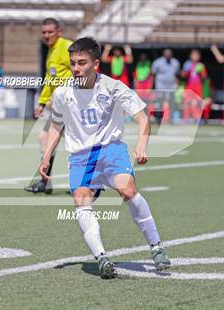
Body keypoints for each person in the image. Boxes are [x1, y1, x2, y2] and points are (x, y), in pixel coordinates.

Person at [39, 37, 170, 278]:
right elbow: (56, 125)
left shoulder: (113, 87)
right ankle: (102, 258)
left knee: (128, 191)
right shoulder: (63, 93)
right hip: (80, 156)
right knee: (81, 201)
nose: (76, 68)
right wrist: (46, 156)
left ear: (96, 63)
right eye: (73, 63)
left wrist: (142, 146)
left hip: (110, 150)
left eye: (82, 63)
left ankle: (157, 247)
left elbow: (142, 117)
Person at [24, 18, 73, 194]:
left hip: (71, 105)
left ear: (58, 31)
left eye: (50, 32)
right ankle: (45, 181)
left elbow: (82, 73)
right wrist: (42, 102)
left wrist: (63, 94)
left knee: (78, 145)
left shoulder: (68, 48)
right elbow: (49, 80)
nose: (46, 35)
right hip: (56, 106)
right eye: (44, 32)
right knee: (44, 138)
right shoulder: (51, 51)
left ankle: (86, 184)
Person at [151, 49, 180, 123]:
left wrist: (177, 84)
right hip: (160, 86)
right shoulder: (157, 62)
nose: (168, 55)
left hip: (171, 87)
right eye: (166, 54)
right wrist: (153, 86)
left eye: (169, 54)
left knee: (171, 103)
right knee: (159, 103)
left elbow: (177, 75)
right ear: (163, 54)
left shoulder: (175, 62)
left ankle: (170, 119)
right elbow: (153, 74)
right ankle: (158, 119)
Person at [181, 49, 207, 122]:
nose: (195, 57)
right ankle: (186, 119)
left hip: (197, 88)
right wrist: (185, 71)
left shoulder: (201, 66)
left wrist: (200, 73)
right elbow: (182, 76)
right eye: (193, 55)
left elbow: (204, 78)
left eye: (196, 55)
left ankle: (197, 119)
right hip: (188, 88)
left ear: (199, 57)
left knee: (195, 104)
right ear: (190, 56)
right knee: (187, 103)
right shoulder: (187, 64)